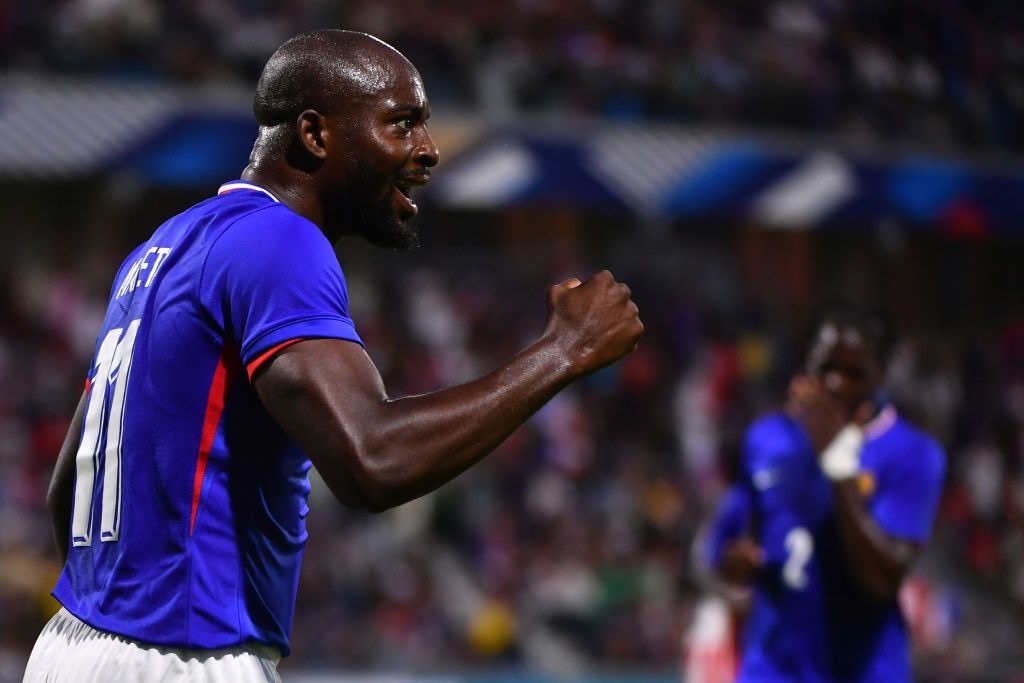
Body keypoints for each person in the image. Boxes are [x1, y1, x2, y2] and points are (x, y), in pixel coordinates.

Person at [24, 29, 643, 682]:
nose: (428, 149)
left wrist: (116, 614)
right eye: (401, 123)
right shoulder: (280, 241)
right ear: (316, 135)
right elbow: (372, 460)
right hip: (182, 654)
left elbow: (69, 487)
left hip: (72, 644)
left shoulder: (160, 249)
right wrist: (562, 351)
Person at [702, 308, 945, 682]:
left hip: (863, 672)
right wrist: (737, 566)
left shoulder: (913, 454)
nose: (836, 383)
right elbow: (727, 550)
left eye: (854, 373)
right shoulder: (767, 439)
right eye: (825, 367)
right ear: (804, 365)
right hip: (773, 669)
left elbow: (881, 580)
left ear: (881, 373)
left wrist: (837, 459)